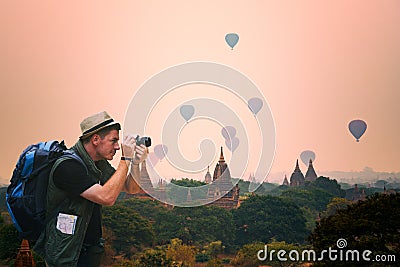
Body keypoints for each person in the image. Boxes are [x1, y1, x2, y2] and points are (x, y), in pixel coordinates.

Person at [33, 111, 148, 267]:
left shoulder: (97, 163)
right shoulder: (67, 166)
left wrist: (135, 163)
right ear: (95, 139)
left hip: (89, 251)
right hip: (66, 254)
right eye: (113, 141)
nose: (117, 147)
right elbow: (107, 197)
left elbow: (130, 188)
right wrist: (125, 159)